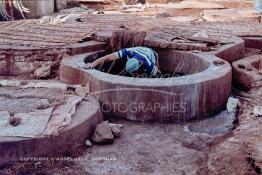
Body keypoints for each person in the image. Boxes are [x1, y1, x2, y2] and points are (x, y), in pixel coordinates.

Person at [85, 47, 161, 77]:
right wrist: (93, 64)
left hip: (152, 54)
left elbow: (159, 73)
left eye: (135, 72)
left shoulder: (148, 64)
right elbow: (108, 57)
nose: (134, 75)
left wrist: (157, 66)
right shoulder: (127, 52)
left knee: (154, 73)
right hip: (140, 50)